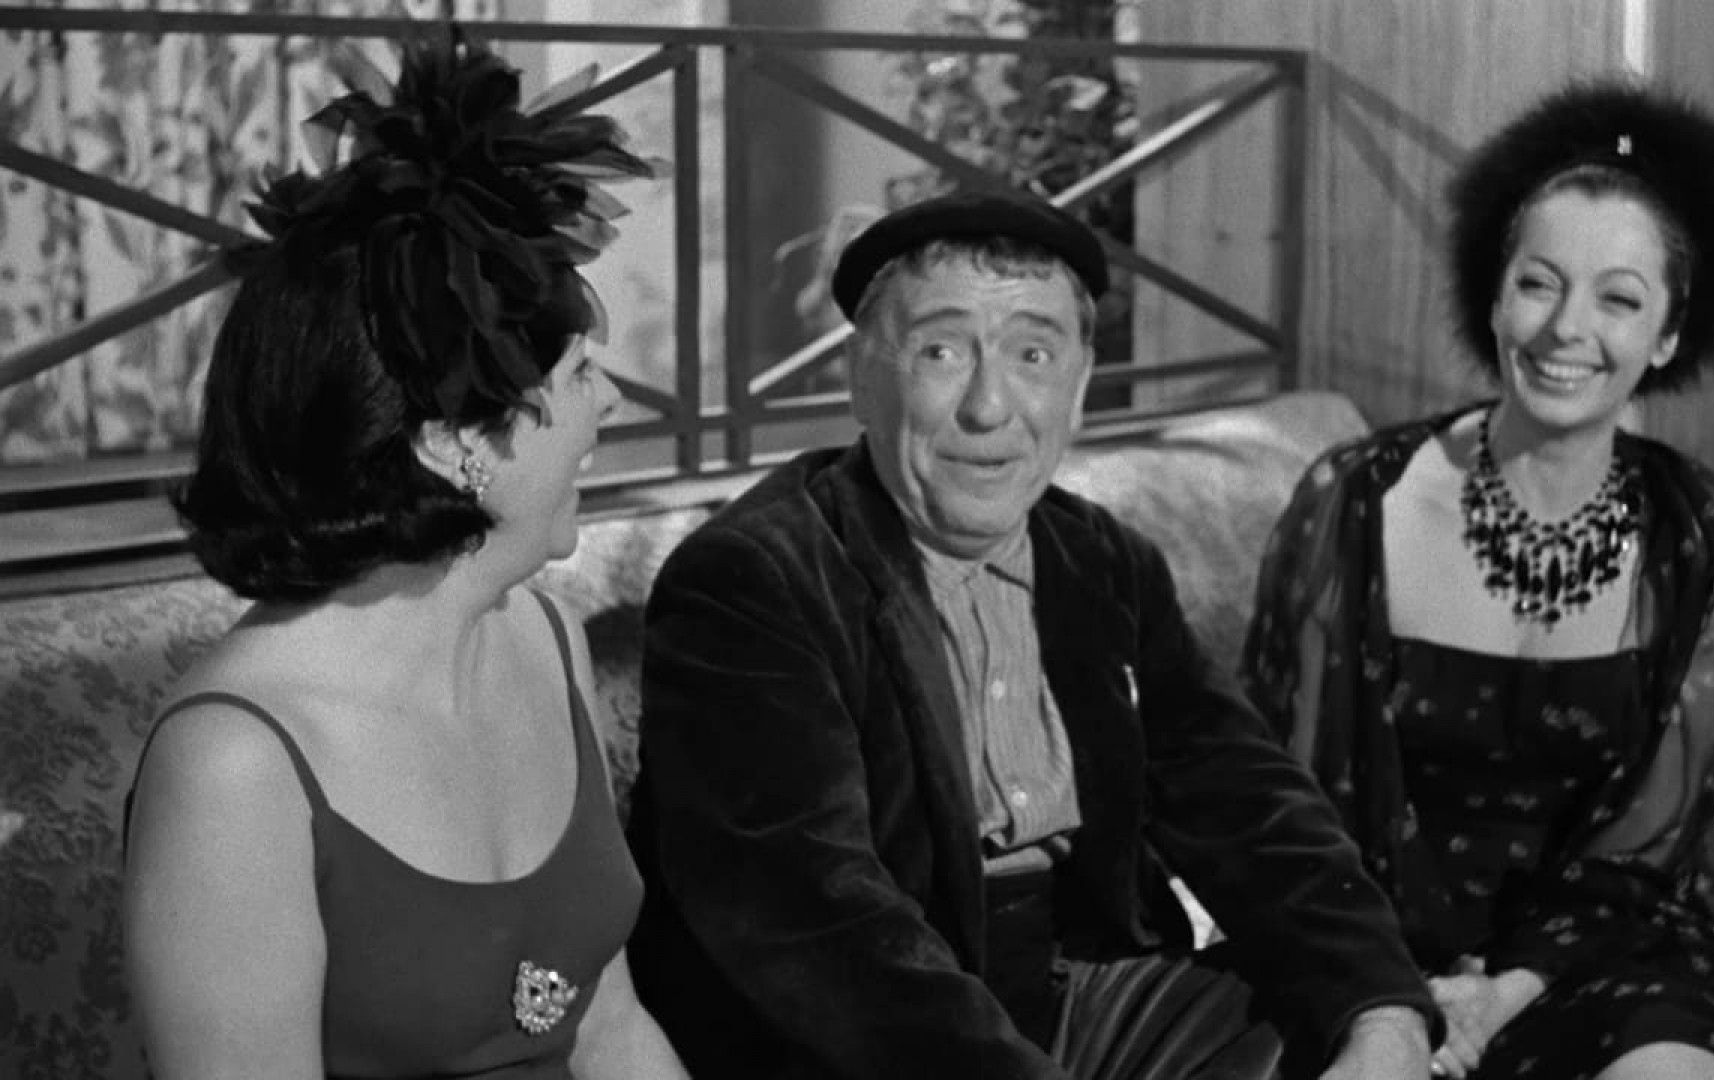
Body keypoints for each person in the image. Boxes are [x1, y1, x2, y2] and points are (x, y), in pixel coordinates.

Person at [624, 190, 1441, 1080]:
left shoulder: (1102, 561)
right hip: (865, 1043)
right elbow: (812, 919)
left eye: (1034, 355)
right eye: (941, 351)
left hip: (1079, 993)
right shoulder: (753, 580)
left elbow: (1246, 800)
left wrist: (1383, 1010)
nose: (990, 407)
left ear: (1079, 388)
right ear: (862, 377)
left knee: (1327, 1020)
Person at [121, 29, 688, 1080]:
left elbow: (609, 1031)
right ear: (451, 441)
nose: (609, 401)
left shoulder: (547, 638)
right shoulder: (235, 767)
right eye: (576, 374)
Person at [1240, 79, 1714, 1080]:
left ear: (1667, 334)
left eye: (1619, 299)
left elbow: (1657, 827)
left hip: (1613, 942)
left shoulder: (1702, 536)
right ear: (1494, 298)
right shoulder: (1350, 504)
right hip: (1374, 951)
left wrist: (1505, 991)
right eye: (1539, 284)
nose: (1566, 328)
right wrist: (1390, 993)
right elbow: (1281, 790)